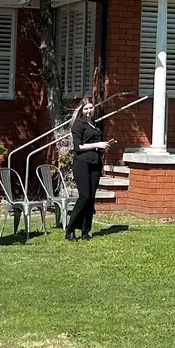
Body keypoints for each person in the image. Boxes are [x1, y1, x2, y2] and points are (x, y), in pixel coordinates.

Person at [67, 98, 112, 241]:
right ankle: (70, 229)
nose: (89, 111)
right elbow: (78, 147)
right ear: (81, 110)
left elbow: (94, 143)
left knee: (91, 198)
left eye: (91, 108)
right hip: (82, 163)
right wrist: (97, 144)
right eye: (86, 108)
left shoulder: (95, 124)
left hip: (95, 163)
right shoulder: (78, 125)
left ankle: (86, 231)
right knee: (84, 197)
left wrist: (103, 145)